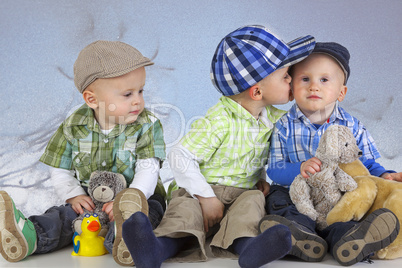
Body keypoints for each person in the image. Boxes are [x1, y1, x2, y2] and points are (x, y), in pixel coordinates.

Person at [119, 25, 316, 268]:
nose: (292, 79)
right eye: (286, 75)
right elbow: (180, 156)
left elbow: (283, 144)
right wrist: (206, 196)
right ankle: (155, 250)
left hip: (242, 193)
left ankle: (250, 249)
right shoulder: (219, 119)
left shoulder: (274, 118)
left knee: (252, 205)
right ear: (256, 91)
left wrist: (261, 177)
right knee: (185, 212)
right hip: (204, 190)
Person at [0, 40, 166, 266]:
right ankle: (29, 236)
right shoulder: (74, 125)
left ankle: (128, 237)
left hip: (139, 197)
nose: (138, 100)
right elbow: (59, 167)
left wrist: (130, 198)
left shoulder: (147, 124)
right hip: (91, 199)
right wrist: (74, 195)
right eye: (127, 94)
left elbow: (148, 168)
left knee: (146, 215)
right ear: (91, 99)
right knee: (64, 216)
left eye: (140, 90)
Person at [260, 42, 401, 266]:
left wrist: (386, 175)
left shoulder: (352, 126)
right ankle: (296, 235)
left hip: (335, 196)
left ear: (341, 92)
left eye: (324, 80)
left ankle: (350, 240)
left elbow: (365, 164)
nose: (314, 87)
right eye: (305, 79)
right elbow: (275, 169)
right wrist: (300, 168)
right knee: (278, 200)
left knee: (346, 215)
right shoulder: (284, 126)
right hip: (295, 193)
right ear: (291, 88)